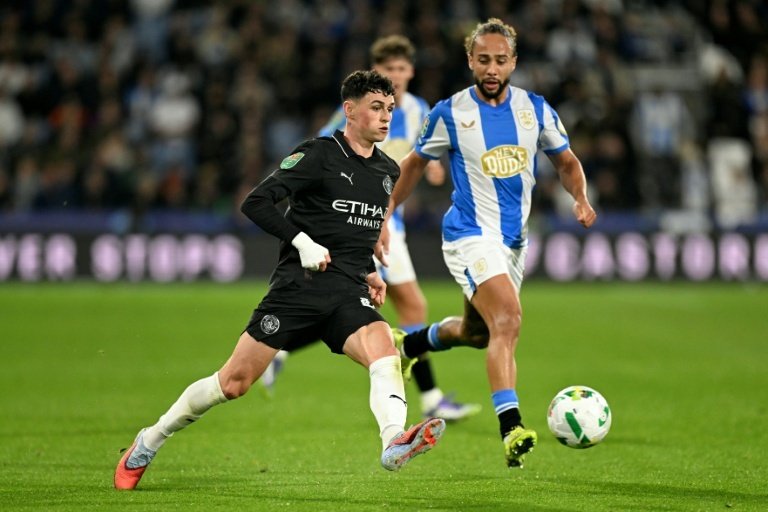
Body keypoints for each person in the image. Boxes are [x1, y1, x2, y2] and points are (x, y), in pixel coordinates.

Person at [114, 70, 446, 490]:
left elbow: (353, 229)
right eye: (377, 108)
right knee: (232, 384)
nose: (386, 118)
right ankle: (148, 441)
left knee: (384, 352)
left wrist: (369, 271)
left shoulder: (386, 171)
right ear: (350, 110)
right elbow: (255, 203)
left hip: (346, 293)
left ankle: (392, 441)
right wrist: (301, 241)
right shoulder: (318, 154)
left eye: (390, 109)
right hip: (297, 290)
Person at [376, 19, 597, 469]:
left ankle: (411, 345)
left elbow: (567, 161)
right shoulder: (450, 112)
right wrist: (386, 211)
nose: (492, 68)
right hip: (469, 235)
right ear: (470, 62)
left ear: (513, 62)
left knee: (479, 333)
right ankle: (511, 426)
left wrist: (580, 196)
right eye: (483, 60)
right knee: (509, 319)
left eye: (500, 60)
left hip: (514, 242)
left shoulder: (534, 110)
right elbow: (415, 164)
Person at [260, 35, 481, 422]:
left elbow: (421, 152)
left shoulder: (417, 111)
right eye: (387, 71)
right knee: (407, 305)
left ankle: (281, 350)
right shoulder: (359, 113)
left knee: (355, 306)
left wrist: (430, 165)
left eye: (400, 69)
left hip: (386, 215)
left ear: (410, 71)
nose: (395, 77)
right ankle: (431, 398)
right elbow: (333, 143)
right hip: (370, 221)